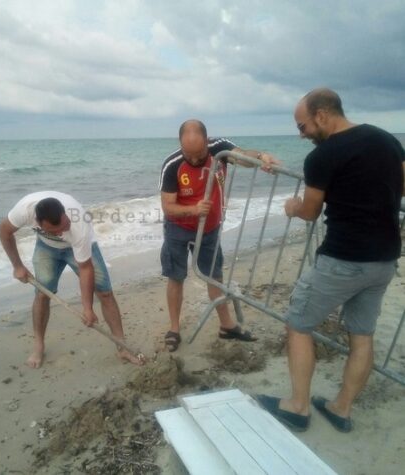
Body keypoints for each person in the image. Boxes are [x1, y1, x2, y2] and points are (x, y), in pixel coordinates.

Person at [257, 88, 405, 432]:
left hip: (343, 257)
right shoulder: (386, 139)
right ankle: (341, 409)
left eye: (303, 126)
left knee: (298, 324)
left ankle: (298, 407)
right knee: (362, 335)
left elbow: (310, 211)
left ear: (322, 115)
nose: (302, 135)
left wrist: (293, 207)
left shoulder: (322, 156)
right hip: (384, 258)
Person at [159, 119, 279, 351]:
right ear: (180, 144)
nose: (194, 160)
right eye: (188, 154)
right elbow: (167, 207)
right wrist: (193, 210)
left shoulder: (219, 149)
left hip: (210, 228)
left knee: (214, 276)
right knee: (176, 276)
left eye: (199, 154)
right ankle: (174, 328)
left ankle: (227, 325)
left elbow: (243, 157)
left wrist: (261, 157)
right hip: (178, 228)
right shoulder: (172, 164)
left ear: (207, 141)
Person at [0, 191, 142, 368]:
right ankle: (39, 346)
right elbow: (4, 231)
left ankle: (122, 346)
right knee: (42, 294)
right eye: (55, 230)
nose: (61, 233)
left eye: (64, 226)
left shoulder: (78, 224)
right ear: (38, 222)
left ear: (65, 215)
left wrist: (87, 308)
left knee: (105, 292)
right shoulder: (24, 210)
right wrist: (17, 266)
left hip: (78, 246)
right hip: (46, 247)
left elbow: (85, 268)